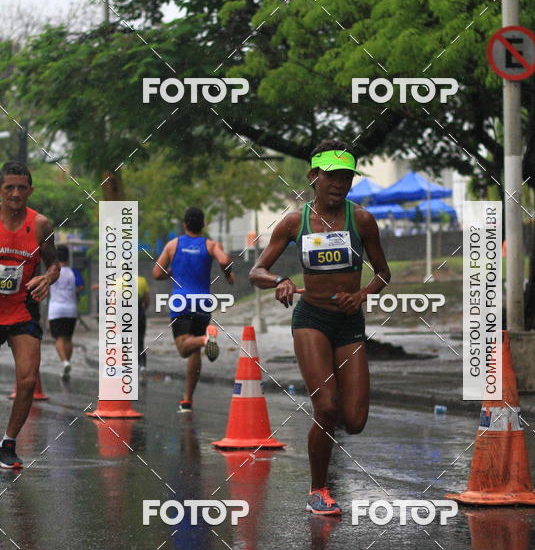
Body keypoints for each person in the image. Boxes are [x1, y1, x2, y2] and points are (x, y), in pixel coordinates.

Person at [250, 142, 391, 515]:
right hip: (311, 319)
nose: (339, 184)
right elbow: (256, 271)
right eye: (332, 176)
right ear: (314, 177)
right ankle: (318, 490)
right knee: (326, 407)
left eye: (346, 178)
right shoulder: (295, 222)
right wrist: (280, 280)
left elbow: (383, 273)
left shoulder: (360, 219)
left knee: (355, 421)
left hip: (349, 323)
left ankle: (325, 434)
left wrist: (361, 295)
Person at [0, 161, 59, 469]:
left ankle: (8, 443)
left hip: (22, 309)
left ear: (30, 190)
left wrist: (47, 278)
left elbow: (54, 265)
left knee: (26, 379)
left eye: (21, 187)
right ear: (1, 189)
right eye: (9, 186)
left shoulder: (40, 225)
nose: (15, 193)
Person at [152, 207, 234, 413]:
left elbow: (156, 273)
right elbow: (224, 260)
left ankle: (206, 339)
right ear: (203, 225)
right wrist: (228, 275)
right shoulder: (210, 244)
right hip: (203, 302)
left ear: (184, 224)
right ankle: (187, 400)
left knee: (183, 348)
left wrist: (170, 272)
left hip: (181, 302)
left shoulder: (173, 244)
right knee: (194, 351)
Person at [48, 244, 84, 380]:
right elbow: (81, 286)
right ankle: (66, 367)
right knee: (68, 338)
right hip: (71, 310)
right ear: (68, 257)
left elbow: (45, 284)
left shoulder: (52, 271)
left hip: (55, 310)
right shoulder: (74, 272)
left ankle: (64, 362)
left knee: (59, 339)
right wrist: (71, 292)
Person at [137, 273, 150, 382]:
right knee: (140, 342)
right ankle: (142, 366)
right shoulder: (142, 280)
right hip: (139, 314)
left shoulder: (118, 282)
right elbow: (147, 301)